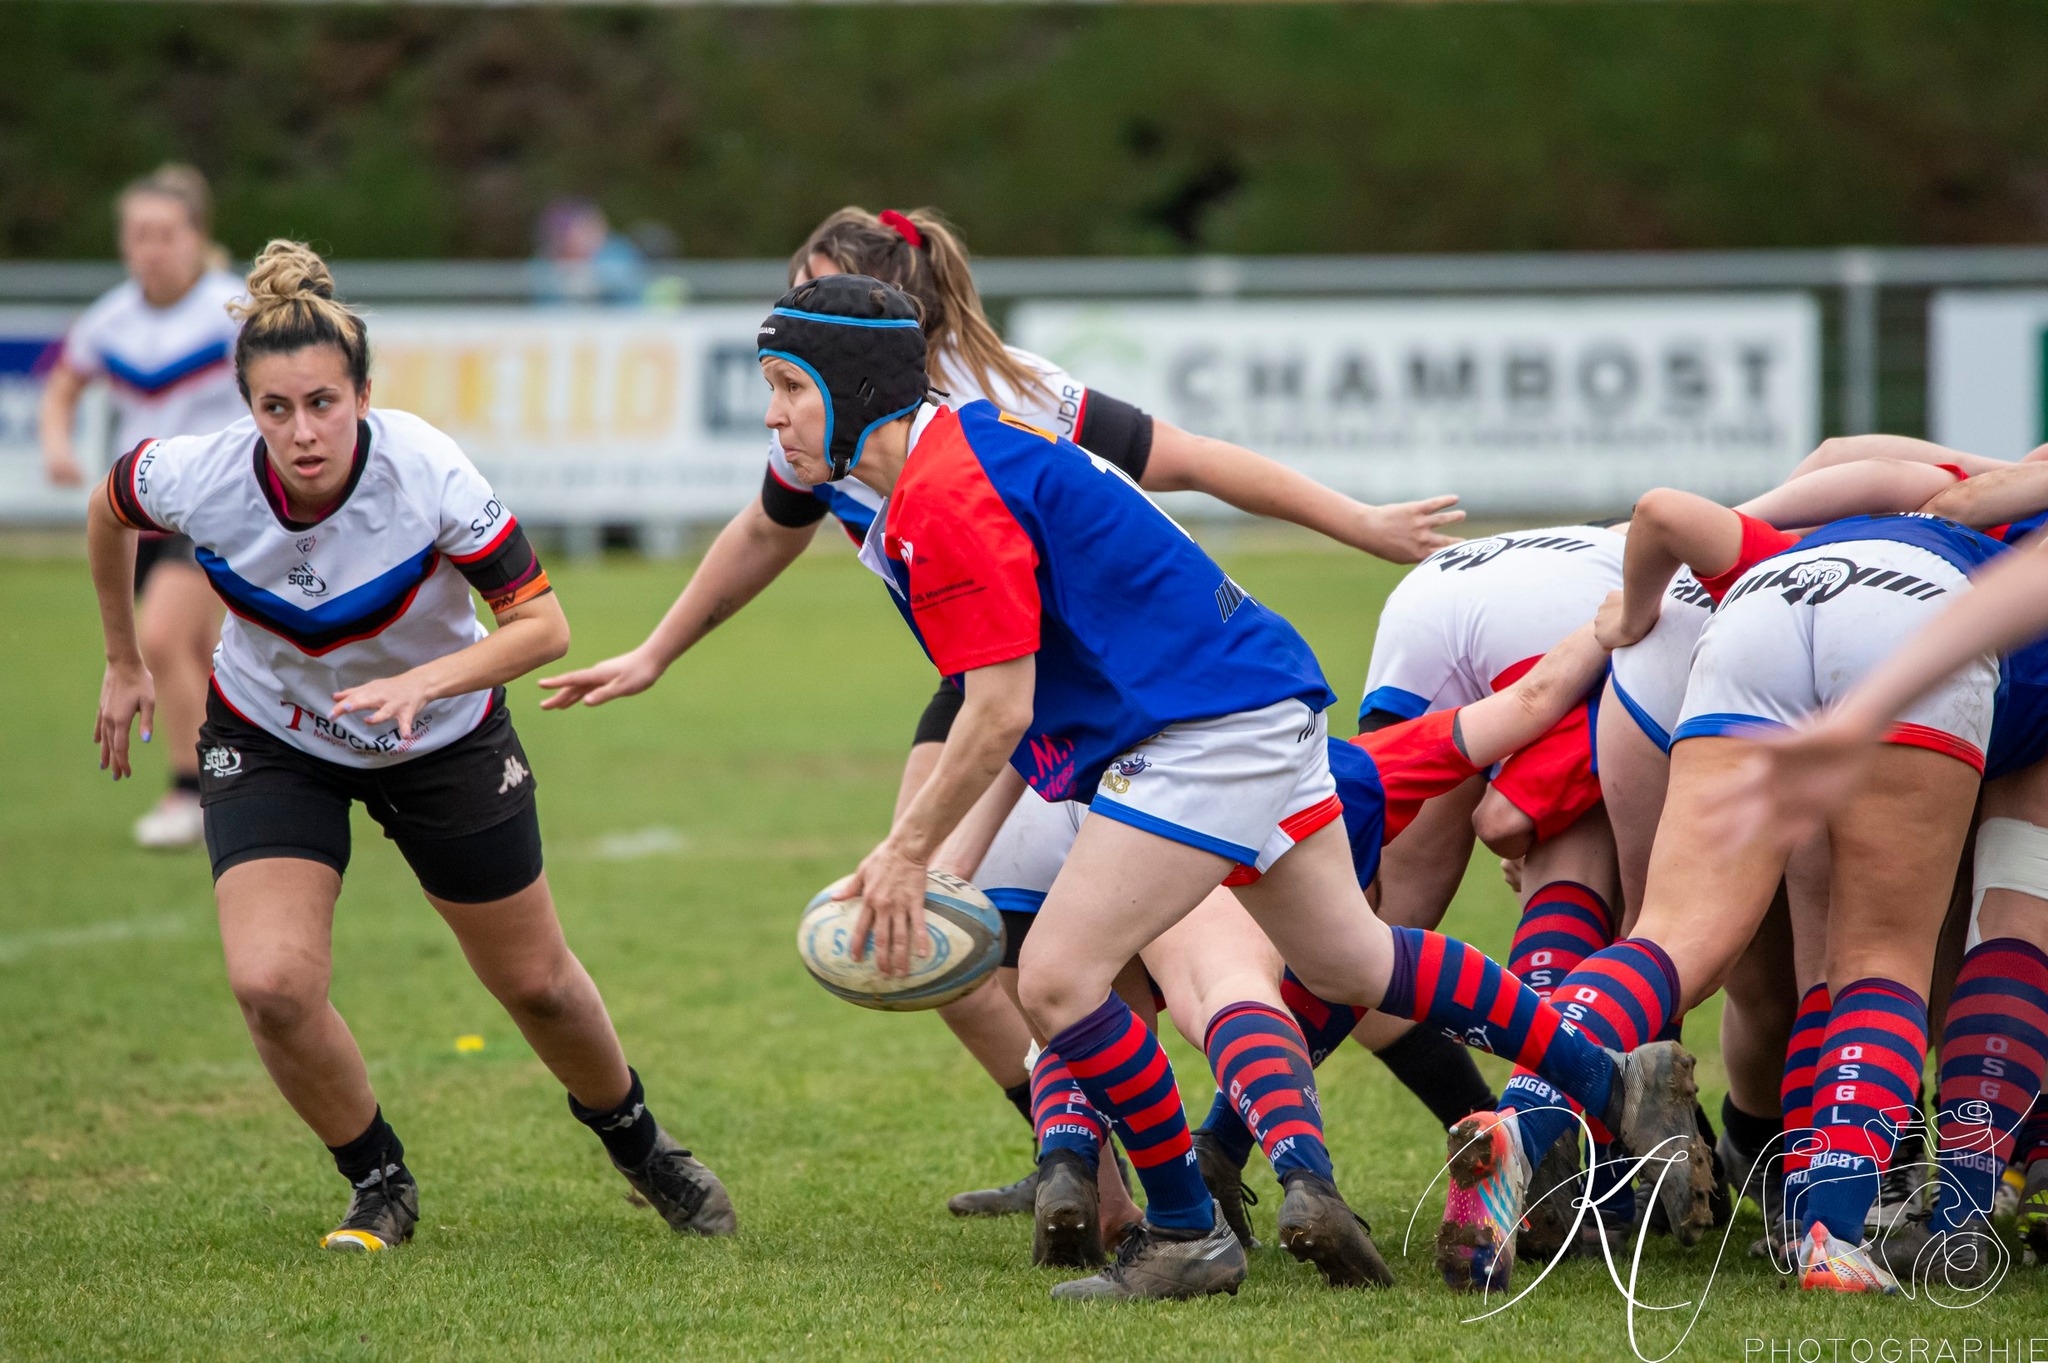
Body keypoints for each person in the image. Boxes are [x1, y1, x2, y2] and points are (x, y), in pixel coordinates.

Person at [755, 273, 1700, 1301]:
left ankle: (1181, 1232)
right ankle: (1615, 1081)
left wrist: (905, 857)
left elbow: (996, 712)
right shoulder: (939, 468)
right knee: (1348, 958)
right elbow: (1022, 707)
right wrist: (934, 859)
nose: (771, 414)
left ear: (850, 386)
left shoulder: (945, 495)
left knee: (1060, 978)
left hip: (1206, 727)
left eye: (788, 385)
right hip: (1244, 698)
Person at [540, 205, 1472, 1218]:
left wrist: (1356, 519)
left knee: (1194, 945)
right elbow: (766, 531)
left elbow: (1189, 459)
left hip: (1108, 680)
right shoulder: (816, 413)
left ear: (888, 310)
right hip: (999, 678)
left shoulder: (997, 398)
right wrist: (656, 650)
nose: (792, 324)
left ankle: (1257, 1174)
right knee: (947, 921)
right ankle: (1075, 1159)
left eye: (812, 293)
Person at [83, 240, 735, 1252]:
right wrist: (125, 658)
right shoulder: (199, 475)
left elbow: (541, 625)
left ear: (364, 395)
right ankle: (376, 1176)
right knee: (272, 986)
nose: (303, 431)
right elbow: (107, 506)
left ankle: (639, 1141)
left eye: (323, 404)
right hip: (272, 734)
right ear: (246, 407)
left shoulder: (423, 468)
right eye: (276, 408)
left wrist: (421, 683)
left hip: (443, 736)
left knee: (537, 983)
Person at [42, 164, 240, 849]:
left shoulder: (230, 308)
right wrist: (56, 443)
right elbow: (65, 383)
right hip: (138, 509)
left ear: (196, 238)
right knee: (207, 652)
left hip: (211, 508)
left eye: (165, 233)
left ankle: (192, 792)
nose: (152, 248)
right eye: (139, 235)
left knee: (158, 640)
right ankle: (243, 774)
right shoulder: (111, 318)